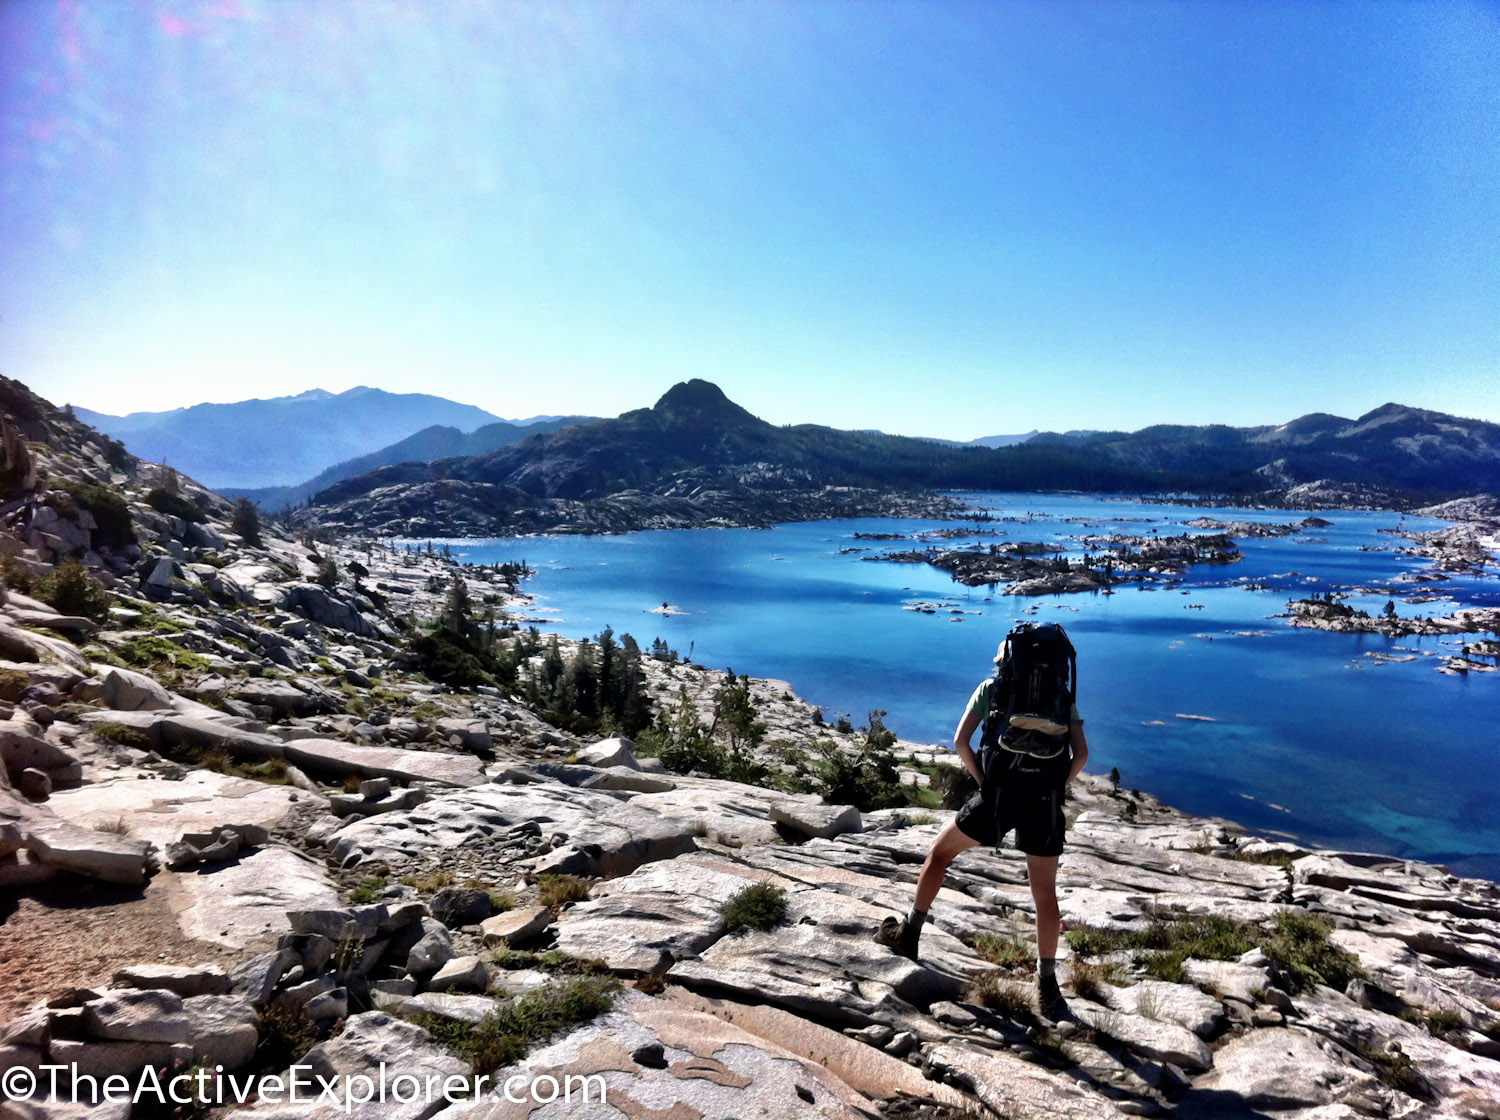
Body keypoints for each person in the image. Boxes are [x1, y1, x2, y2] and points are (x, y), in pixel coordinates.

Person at [877, 633, 1089, 1018]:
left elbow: (961, 741)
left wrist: (985, 783)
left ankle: (909, 934)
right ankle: (1046, 985)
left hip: (996, 797)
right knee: (1045, 895)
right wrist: (1055, 788)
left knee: (939, 855)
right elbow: (1083, 754)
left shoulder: (992, 688)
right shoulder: (1062, 697)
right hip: (1046, 803)